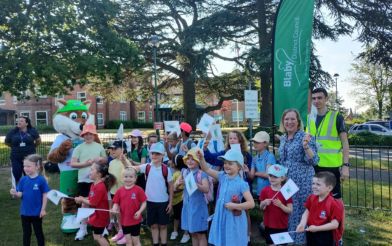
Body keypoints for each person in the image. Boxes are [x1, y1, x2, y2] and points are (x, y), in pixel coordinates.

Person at [203, 130, 253, 243]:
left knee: (232, 239)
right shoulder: (222, 176)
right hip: (222, 216)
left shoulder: (241, 183)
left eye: (230, 163)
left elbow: (251, 203)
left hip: (234, 219)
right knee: (223, 239)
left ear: (239, 166)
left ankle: (247, 235)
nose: (226, 165)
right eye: (225, 163)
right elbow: (206, 169)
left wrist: (236, 206)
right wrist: (202, 156)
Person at [278, 108, 319, 244]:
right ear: (283, 122)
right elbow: (283, 160)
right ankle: (291, 239)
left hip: (303, 180)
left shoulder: (305, 137)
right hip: (287, 181)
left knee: (302, 210)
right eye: (286, 119)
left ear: (298, 121)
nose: (289, 122)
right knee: (290, 210)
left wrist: (306, 147)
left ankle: (302, 240)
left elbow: (314, 161)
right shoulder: (283, 138)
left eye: (292, 119)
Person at [307, 88, 350, 199]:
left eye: (320, 98)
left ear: (326, 99)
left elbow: (345, 142)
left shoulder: (336, 117)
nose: (316, 101)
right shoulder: (309, 118)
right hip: (313, 165)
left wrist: (345, 166)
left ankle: (338, 217)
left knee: (335, 199)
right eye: (314, 98)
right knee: (316, 198)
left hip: (331, 167)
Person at [131, 142, 173, 246]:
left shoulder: (166, 169)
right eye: (152, 153)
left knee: (163, 225)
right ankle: (155, 243)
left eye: (157, 154)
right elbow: (132, 168)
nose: (154, 156)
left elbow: (171, 187)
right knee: (153, 225)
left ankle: (163, 243)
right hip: (150, 202)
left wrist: (170, 203)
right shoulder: (147, 167)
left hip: (163, 202)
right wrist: (123, 160)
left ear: (163, 155)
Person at [71, 124, 107, 240]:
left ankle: (102, 225)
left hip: (98, 180)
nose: (88, 136)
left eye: (90, 134)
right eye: (86, 134)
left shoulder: (99, 147)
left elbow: (105, 160)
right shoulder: (79, 148)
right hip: (84, 179)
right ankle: (83, 228)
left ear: (94, 135)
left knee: (99, 202)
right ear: (83, 135)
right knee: (85, 202)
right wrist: (86, 164)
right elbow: (73, 163)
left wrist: (101, 159)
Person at [10, 154, 49, 246]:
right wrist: (15, 193)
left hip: (36, 212)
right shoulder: (23, 180)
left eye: (28, 166)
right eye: (24, 166)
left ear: (37, 167)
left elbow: (45, 194)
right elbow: (20, 194)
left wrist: (43, 209)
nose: (25, 168)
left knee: (38, 232)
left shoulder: (41, 180)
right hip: (25, 212)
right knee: (26, 233)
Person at [296, 171, 344, 246]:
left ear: (329, 188)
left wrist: (317, 228)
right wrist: (302, 224)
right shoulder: (311, 198)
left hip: (325, 236)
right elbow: (307, 212)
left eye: (318, 184)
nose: (314, 186)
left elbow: (334, 224)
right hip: (311, 232)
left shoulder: (334, 204)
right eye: (313, 183)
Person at [75, 163, 114, 246]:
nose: (90, 172)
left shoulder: (100, 187)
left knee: (98, 236)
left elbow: (93, 202)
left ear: (99, 174)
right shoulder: (93, 185)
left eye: (92, 170)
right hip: (96, 216)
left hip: (100, 217)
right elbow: (91, 198)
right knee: (96, 236)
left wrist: (82, 199)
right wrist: (82, 198)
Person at [180, 148, 209, 246]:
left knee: (200, 234)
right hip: (188, 208)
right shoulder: (185, 172)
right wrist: (178, 183)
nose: (189, 161)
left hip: (198, 209)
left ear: (198, 161)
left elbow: (206, 189)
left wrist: (195, 184)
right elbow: (175, 186)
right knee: (193, 233)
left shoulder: (202, 174)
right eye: (188, 159)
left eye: (193, 159)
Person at [112, 167, 147, 246]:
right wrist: (114, 208)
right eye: (126, 177)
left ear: (135, 178)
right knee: (128, 242)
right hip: (124, 221)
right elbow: (116, 203)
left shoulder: (139, 190)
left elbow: (144, 202)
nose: (128, 179)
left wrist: (139, 211)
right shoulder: (119, 191)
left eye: (131, 177)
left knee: (136, 241)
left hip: (135, 220)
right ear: (122, 178)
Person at [259, 164, 293, 246]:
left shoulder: (286, 191)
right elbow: (261, 207)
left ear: (282, 178)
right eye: (270, 176)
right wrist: (264, 202)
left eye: (275, 176)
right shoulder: (265, 190)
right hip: (269, 225)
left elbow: (290, 210)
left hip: (282, 226)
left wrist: (281, 205)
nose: (272, 178)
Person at [5, 116, 41, 184]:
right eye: (18, 121)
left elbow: (38, 141)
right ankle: (17, 189)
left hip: (30, 158)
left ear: (26, 123)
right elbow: (7, 142)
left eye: (21, 121)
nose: (19, 122)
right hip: (16, 157)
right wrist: (15, 147)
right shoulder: (12, 132)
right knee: (16, 173)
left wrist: (32, 147)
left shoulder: (32, 131)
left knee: (30, 174)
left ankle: (30, 189)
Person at [107, 140, 129, 244]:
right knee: (117, 212)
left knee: (125, 213)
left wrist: (124, 161)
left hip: (124, 192)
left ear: (123, 150)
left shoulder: (125, 161)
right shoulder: (111, 162)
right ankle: (121, 230)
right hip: (113, 191)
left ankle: (127, 233)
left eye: (115, 148)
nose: (112, 150)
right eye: (111, 148)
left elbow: (130, 171)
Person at [170, 154, 191, 243]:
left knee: (181, 216)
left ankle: (185, 233)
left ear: (175, 164)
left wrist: (174, 190)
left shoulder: (180, 173)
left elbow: (181, 188)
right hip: (175, 200)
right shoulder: (176, 173)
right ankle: (175, 231)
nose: (169, 162)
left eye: (171, 160)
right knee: (176, 216)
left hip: (180, 200)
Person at [249, 131, 276, 196]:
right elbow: (251, 176)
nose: (254, 144)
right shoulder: (254, 158)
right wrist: (247, 171)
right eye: (254, 142)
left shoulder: (270, 156)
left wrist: (255, 173)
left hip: (270, 191)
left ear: (265, 144)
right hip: (259, 191)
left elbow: (268, 175)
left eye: (257, 142)